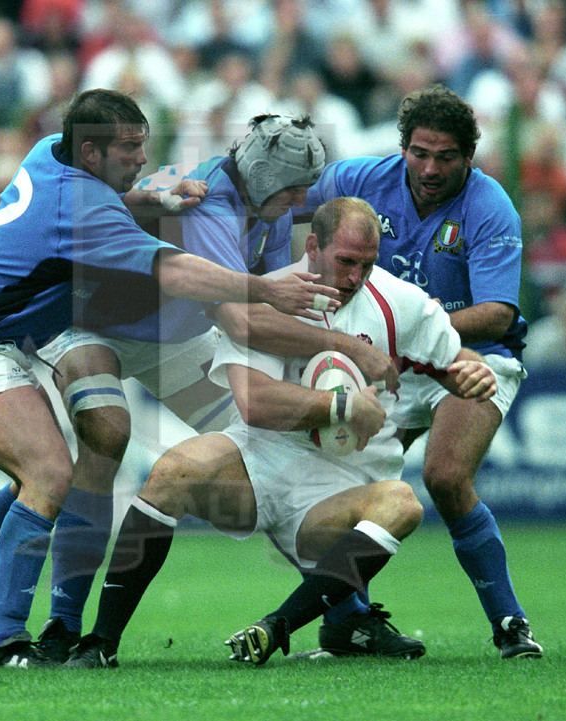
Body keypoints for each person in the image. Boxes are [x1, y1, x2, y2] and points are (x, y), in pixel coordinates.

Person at [0, 88, 340, 669]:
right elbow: (190, 281)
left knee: (267, 444)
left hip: (158, 338)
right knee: (78, 454)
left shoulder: (51, 149)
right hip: (61, 331)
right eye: (131, 147)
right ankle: (41, 630)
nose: (143, 157)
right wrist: (275, 295)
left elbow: (117, 191)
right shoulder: (104, 207)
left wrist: (150, 191)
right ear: (91, 151)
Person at [64, 196, 497, 668]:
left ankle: (277, 627)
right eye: (345, 262)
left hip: (340, 491)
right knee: (173, 470)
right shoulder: (272, 296)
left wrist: (473, 374)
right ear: (313, 247)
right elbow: (255, 403)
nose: (355, 277)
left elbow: (454, 358)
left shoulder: (401, 301)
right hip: (260, 463)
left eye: (367, 264)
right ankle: (101, 643)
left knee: (402, 503)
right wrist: (344, 407)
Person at [297, 84, 542, 659]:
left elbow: (498, 312)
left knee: (446, 477)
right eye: (420, 153)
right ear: (402, 147)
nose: (430, 169)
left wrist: (415, 330)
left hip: (473, 355)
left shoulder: (490, 207)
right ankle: (349, 624)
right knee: (338, 487)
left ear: (469, 156)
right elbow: (284, 198)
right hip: (391, 360)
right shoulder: (358, 180)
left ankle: (510, 623)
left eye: (446, 157)